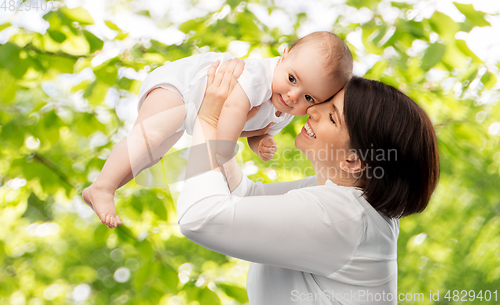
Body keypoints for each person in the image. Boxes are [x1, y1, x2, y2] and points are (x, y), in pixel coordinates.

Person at [177, 60, 440, 304]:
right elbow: (246, 196)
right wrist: (226, 128)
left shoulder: (345, 217)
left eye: (332, 116)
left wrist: (209, 118)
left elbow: (198, 217)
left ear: (352, 161)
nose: (312, 109)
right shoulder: (340, 198)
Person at [81, 31, 353, 228]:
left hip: (193, 115)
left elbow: (252, 128)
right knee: (148, 136)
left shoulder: (283, 109)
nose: (294, 96)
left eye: (309, 98)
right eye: (292, 79)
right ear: (282, 57)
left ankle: (108, 187)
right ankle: (103, 186)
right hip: (181, 87)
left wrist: (260, 142)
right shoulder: (258, 77)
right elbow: (233, 110)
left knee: (150, 154)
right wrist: (221, 158)